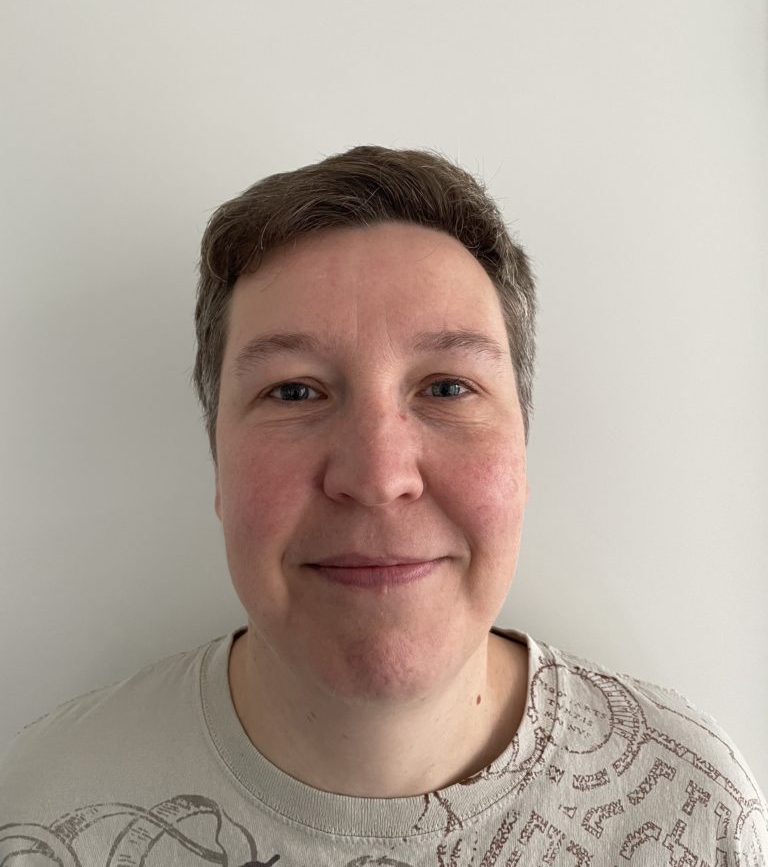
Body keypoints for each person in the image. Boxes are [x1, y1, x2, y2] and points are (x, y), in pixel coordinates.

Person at [0, 145, 765, 866]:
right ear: (218, 465)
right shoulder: (38, 817)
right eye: (295, 390)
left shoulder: (688, 813)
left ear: (523, 454)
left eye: (447, 387)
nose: (376, 474)